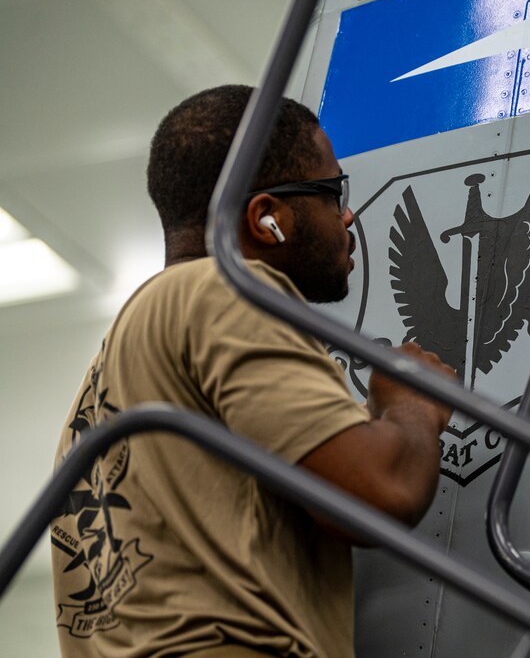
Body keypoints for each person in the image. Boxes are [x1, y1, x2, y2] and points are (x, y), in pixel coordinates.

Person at [50, 85, 455, 658]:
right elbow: (378, 494)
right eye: (331, 191)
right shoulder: (223, 291)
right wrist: (412, 402)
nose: (348, 214)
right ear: (268, 219)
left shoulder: (115, 360)